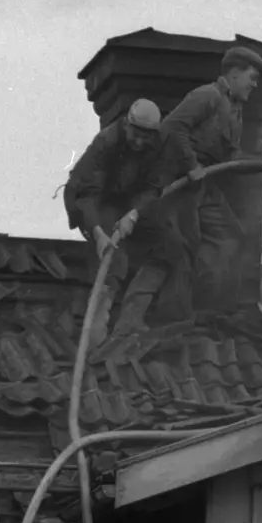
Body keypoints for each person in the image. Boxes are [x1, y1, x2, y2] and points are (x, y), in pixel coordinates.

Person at [160, 45, 262, 314]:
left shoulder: (235, 111)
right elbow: (172, 129)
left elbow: (232, 161)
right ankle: (177, 316)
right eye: (252, 77)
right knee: (183, 250)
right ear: (233, 73)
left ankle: (209, 312)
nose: (254, 85)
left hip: (203, 188)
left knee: (231, 239)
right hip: (177, 186)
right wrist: (192, 165)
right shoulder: (207, 96)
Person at [63, 98, 191, 343]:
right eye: (136, 135)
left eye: (146, 136)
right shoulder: (107, 142)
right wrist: (98, 232)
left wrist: (133, 214)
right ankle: (95, 334)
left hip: (128, 203)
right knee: (113, 258)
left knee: (170, 243)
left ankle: (130, 319)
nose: (140, 141)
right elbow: (87, 194)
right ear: (127, 125)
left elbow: (154, 186)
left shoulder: (159, 144)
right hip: (95, 200)